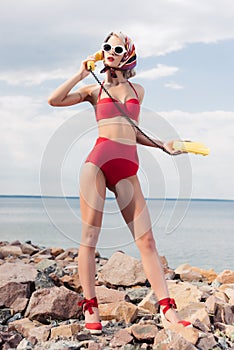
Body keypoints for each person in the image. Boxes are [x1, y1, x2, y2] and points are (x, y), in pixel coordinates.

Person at [48, 31, 191, 334]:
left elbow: (132, 131)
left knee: (147, 241)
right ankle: (90, 307)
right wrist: (80, 72)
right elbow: (54, 100)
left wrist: (163, 144)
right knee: (89, 238)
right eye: (106, 47)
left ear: (128, 53)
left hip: (127, 167)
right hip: (98, 164)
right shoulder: (92, 90)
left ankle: (167, 309)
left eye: (116, 47)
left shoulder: (138, 90)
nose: (110, 51)